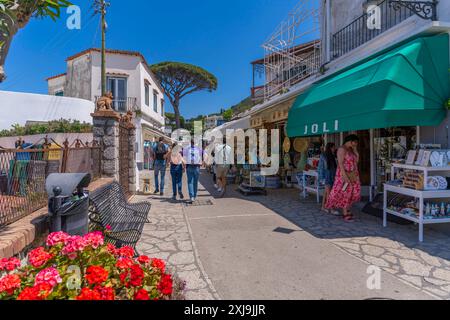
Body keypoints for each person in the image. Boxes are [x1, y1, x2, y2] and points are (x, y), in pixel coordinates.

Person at [325, 135, 361, 222]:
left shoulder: (351, 149)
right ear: (350, 141)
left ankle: (347, 209)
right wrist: (344, 176)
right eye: (355, 142)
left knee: (353, 192)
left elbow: (357, 161)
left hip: (353, 174)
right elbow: (340, 164)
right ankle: (345, 213)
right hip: (344, 174)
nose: (356, 144)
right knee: (346, 192)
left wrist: (355, 150)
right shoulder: (342, 149)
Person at [318, 143, 338, 215]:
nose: (334, 149)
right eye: (333, 147)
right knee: (330, 193)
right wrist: (322, 178)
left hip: (332, 176)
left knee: (327, 192)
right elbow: (320, 168)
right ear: (330, 148)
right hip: (327, 177)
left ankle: (323, 206)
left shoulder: (333, 156)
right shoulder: (323, 156)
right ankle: (332, 208)